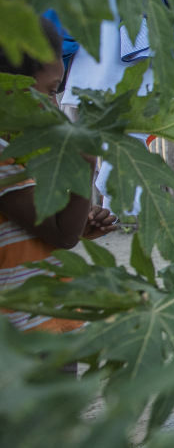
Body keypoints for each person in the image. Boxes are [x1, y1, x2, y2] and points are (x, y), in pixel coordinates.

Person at [0, 17, 118, 333]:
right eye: (51, 91)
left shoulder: (22, 152)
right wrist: (85, 164)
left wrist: (77, 221)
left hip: (51, 319)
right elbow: (60, 236)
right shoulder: (2, 156)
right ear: (10, 85)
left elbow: (44, 227)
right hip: (24, 337)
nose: (55, 106)